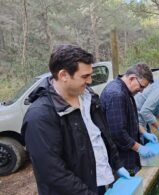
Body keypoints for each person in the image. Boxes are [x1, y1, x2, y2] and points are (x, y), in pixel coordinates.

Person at [21, 45, 129, 195]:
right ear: (64, 75)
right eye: (85, 77)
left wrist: (116, 164)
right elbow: (52, 173)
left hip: (100, 180)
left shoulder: (89, 97)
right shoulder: (40, 117)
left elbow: (102, 135)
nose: (90, 81)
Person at [100, 63, 159, 175]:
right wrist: (140, 148)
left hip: (130, 153)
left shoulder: (126, 91)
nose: (141, 91)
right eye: (141, 86)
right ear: (132, 78)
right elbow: (118, 133)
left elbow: (130, 119)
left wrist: (144, 132)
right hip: (121, 158)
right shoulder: (116, 94)